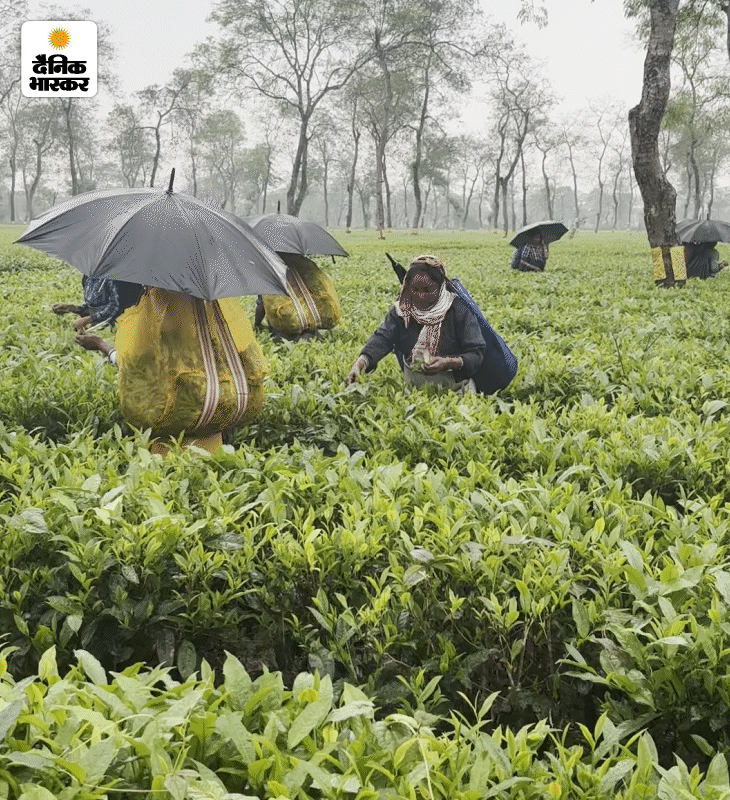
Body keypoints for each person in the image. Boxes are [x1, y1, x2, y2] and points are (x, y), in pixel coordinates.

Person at [74, 287, 269, 456]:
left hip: (166, 446)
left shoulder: (156, 309)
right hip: (214, 431)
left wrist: (101, 345)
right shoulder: (213, 308)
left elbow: (132, 364)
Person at [345, 254, 486, 393]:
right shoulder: (402, 310)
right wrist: (360, 363)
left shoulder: (457, 310)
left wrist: (449, 362)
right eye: (415, 290)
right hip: (415, 391)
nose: (420, 296)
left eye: (427, 290)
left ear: (441, 287)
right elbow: (382, 338)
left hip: (456, 391)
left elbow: (476, 352)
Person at [53, 275, 144, 330]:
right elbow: (94, 305)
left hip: (126, 325)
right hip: (103, 325)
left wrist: (89, 319)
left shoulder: (117, 278)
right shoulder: (88, 276)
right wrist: (73, 308)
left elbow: (117, 308)